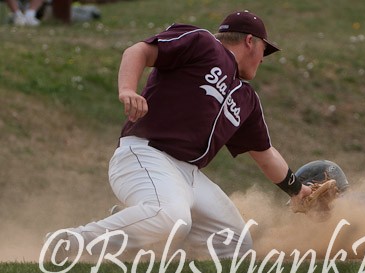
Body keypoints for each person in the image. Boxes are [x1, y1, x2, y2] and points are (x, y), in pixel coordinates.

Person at [47, 10, 311, 259]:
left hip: (189, 175)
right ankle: (70, 242)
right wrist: (127, 89)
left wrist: (297, 190)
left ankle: (145, 239)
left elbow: (265, 155)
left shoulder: (247, 99)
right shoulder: (204, 43)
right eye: (265, 50)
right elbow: (138, 51)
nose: (263, 59)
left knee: (235, 244)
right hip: (146, 155)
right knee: (170, 218)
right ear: (251, 42)